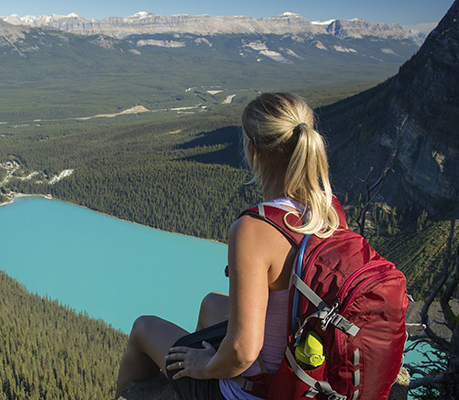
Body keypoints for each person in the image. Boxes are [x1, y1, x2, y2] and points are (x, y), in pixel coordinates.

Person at [113, 92, 340, 400]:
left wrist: (202, 365)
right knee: (210, 303)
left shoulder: (255, 228)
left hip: (258, 389)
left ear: (252, 150)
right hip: (304, 365)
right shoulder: (329, 210)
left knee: (143, 328)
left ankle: (179, 387)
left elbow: (243, 352)